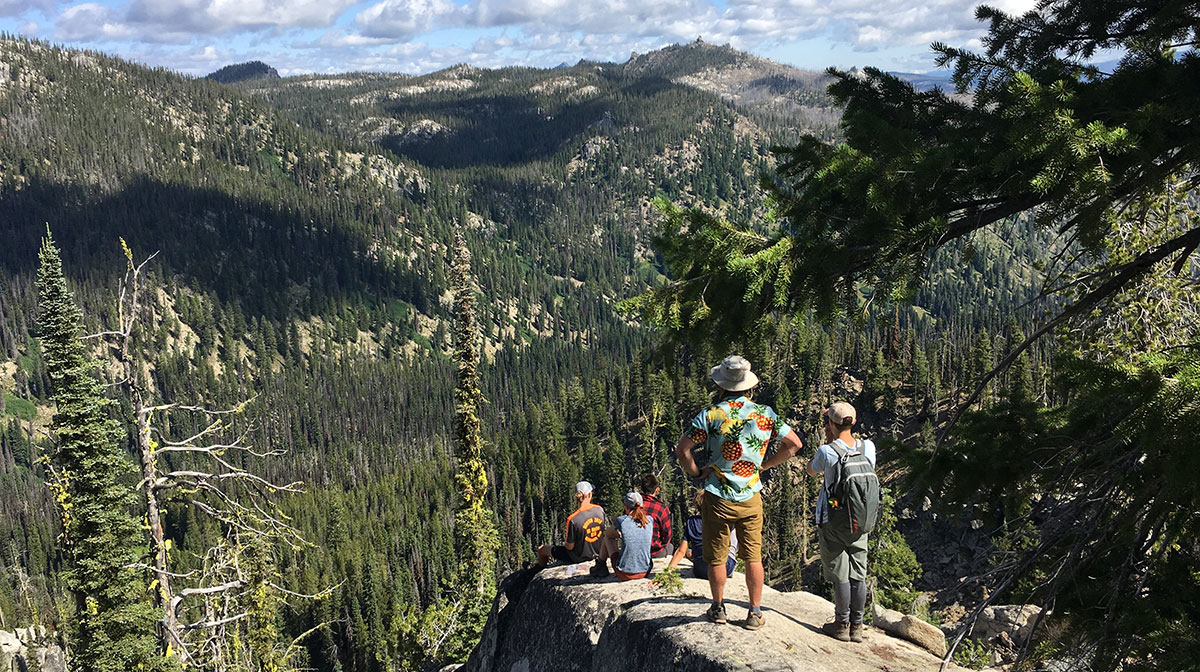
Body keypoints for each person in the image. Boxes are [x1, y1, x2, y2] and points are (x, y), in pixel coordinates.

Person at [674, 355, 804, 630]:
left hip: (718, 494)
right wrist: (764, 465)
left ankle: (718, 607)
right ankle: (754, 612)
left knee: (717, 556)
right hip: (750, 494)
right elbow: (794, 444)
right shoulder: (765, 414)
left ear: (721, 385)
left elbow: (682, 450)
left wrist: (697, 472)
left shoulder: (710, 415)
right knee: (753, 556)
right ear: (749, 386)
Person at [807, 401, 877, 643]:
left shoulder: (827, 451)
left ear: (831, 424)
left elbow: (810, 471)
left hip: (833, 520)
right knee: (859, 573)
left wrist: (827, 446)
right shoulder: (868, 447)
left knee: (840, 574)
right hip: (860, 520)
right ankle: (857, 627)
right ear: (853, 422)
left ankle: (841, 624)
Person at [669, 488, 737, 580]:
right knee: (733, 529)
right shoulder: (722, 519)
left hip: (700, 571)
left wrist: (668, 572)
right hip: (723, 569)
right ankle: (730, 564)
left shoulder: (691, 522)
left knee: (689, 552)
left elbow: (681, 551)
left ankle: (699, 559)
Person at [535, 481, 606, 567]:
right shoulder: (599, 510)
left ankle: (537, 570)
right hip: (599, 552)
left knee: (542, 549)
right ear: (589, 495)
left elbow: (569, 547)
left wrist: (564, 543)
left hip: (578, 557)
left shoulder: (573, 519)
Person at [590, 492, 654, 580]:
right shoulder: (650, 520)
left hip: (625, 573)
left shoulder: (622, 520)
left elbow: (607, 534)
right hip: (645, 571)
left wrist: (615, 524)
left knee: (607, 539)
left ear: (625, 506)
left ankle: (600, 566)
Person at [638, 473, 674, 559]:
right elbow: (667, 535)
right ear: (657, 490)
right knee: (670, 547)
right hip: (654, 551)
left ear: (641, 488)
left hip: (635, 550)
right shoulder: (661, 508)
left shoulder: (633, 504)